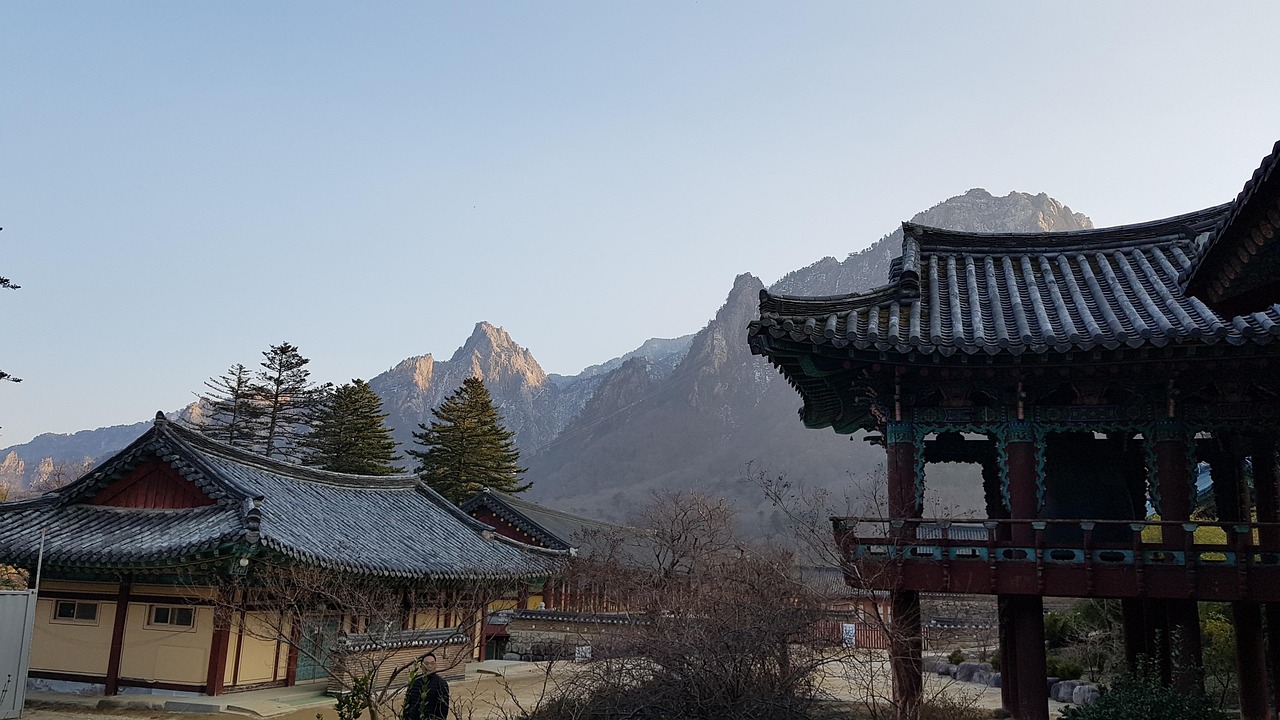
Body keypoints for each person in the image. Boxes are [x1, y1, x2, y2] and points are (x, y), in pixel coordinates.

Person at [403, 652, 450, 720]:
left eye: (432, 663)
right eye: (427, 663)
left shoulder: (441, 683)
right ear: (421, 666)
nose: (429, 666)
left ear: (436, 665)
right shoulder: (414, 681)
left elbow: (443, 710)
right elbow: (407, 703)